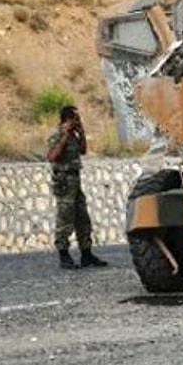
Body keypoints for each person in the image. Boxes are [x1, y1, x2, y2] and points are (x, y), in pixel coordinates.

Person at [47, 105, 108, 269]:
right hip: (64, 180)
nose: (78, 120)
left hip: (75, 179)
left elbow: (83, 150)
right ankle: (64, 255)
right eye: (75, 118)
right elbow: (52, 156)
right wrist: (65, 135)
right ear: (67, 119)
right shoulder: (57, 134)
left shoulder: (74, 135)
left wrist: (81, 133)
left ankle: (86, 254)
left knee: (83, 218)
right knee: (65, 218)